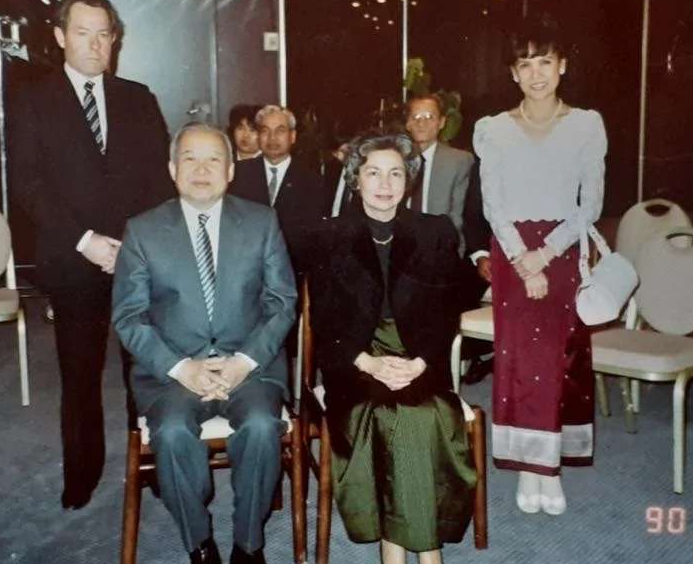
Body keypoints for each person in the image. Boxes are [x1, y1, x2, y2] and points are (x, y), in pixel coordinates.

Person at [7, 0, 176, 510]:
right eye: (83, 32)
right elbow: (29, 184)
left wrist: (134, 245)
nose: (95, 44)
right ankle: (82, 475)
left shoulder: (138, 97)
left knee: (145, 370)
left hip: (136, 259)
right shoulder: (33, 99)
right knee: (79, 376)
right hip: (72, 257)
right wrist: (87, 242)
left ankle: (154, 465)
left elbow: (158, 182)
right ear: (59, 37)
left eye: (105, 34)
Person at [112, 123, 298, 564]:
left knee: (260, 427)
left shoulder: (261, 222)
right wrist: (182, 369)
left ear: (231, 170)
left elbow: (282, 303)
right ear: (173, 169)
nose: (202, 169)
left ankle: (249, 544)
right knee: (173, 433)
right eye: (190, 158)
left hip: (250, 366)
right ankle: (199, 542)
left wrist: (244, 362)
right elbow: (128, 316)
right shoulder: (142, 231)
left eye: (214, 158)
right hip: (173, 372)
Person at [306, 131, 477, 564]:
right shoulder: (329, 236)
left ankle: (402, 555)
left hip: (420, 356)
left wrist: (419, 362)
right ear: (355, 180)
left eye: (396, 173)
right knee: (390, 414)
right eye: (374, 173)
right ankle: (420, 557)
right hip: (355, 361)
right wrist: (369, 363)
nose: (385, 183)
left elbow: (446, 311)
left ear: (409, 180)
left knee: (418, 413)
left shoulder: (434, 231)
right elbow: (325, 323)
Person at [472, 15, 607, 516]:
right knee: (519, 362)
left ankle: (547, 469)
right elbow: (493, 204)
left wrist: (546, 255)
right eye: (525, 64)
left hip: (562, 249)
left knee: (555, 360)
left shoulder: (586, 124)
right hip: (512, 253)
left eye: (544, 62)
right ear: (512, 73)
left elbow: (589, 204)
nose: (535, 74)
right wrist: (521, 260)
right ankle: (530, 468)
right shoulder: (494, 130)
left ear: (562, 66)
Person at [228, 104, 324, 277]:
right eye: (265, 131)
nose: (272, 138)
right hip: (244, 271)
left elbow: (310, 237)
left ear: (293, 136)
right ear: (258, 136)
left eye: (280, 131)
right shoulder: (237, 175)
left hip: (291, 272)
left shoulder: (311, 181)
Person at [401, 94, 473, 251]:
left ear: (441, 123)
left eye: (429, 116)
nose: (422, 123)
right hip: (398, 246)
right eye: (416, 116)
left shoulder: (459, 161)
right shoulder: (395, 159)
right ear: (407, 123)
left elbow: (458, 215)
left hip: (441, 246)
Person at [459, 158, 495, 384]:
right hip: (490, 252)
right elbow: (472, 215)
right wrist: (481, 254)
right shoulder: (485, 165)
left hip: (538, 254)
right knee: (454, 284)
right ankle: (477, 353)